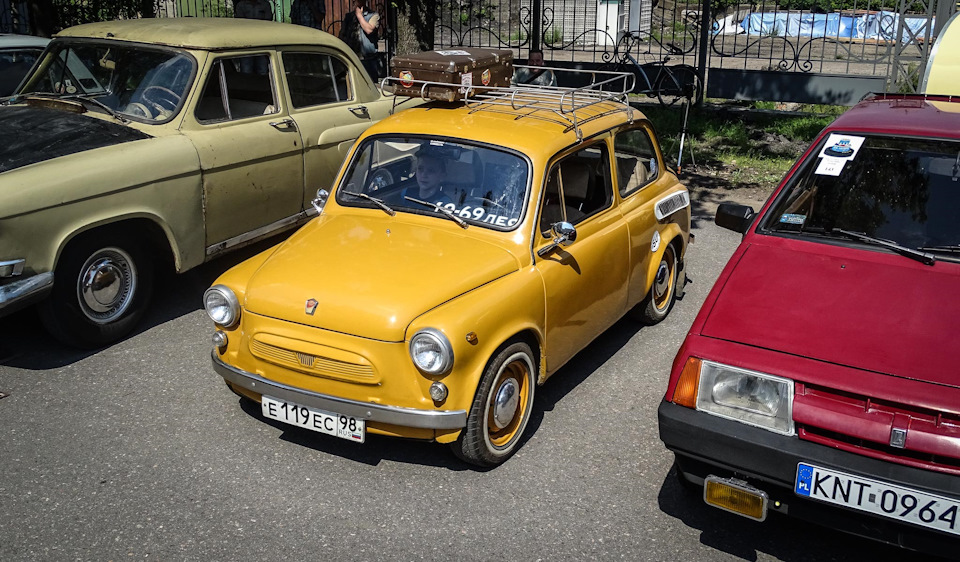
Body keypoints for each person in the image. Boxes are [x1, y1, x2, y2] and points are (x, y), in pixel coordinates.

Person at [340, 0, 380, 81]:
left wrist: (359, 16)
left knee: (370, 82)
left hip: (367, 59)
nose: (355, 2)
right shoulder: (349, 17)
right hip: (352, 57)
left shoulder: (373, 15)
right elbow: (342, 35)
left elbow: (369, 30)